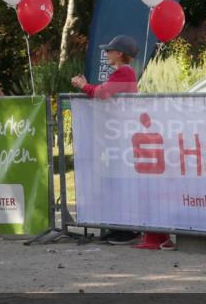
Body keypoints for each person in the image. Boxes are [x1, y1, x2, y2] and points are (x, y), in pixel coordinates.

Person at [69, 35, 168, 248]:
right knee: (116, 180)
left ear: (119, 54)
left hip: (123, 135)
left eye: (109, 51)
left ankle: (128, 228)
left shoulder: (125, 72)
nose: (106, 54)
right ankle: (120, 225)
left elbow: (102, 93)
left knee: (121, 180)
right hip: (120, 134)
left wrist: (83, 86)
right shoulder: (123, 73)